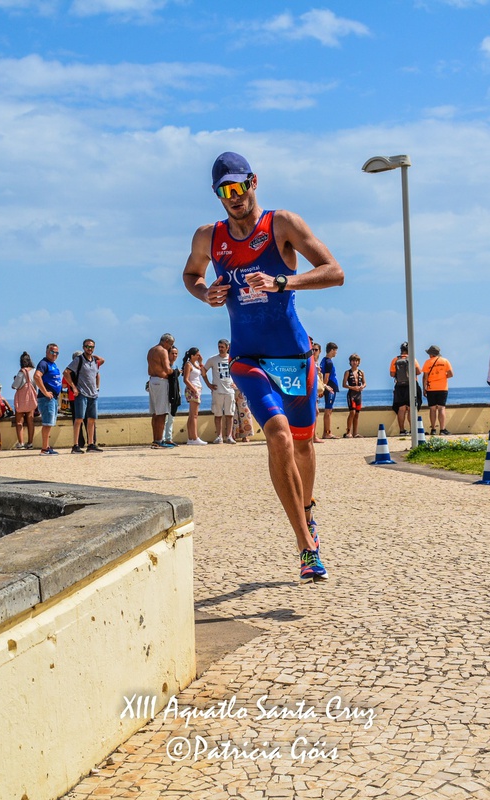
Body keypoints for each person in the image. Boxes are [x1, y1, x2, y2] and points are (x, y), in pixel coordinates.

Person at [182, 150, 344, 583]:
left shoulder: (282, 224)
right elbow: (191, 275)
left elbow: (334, 271)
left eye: (240, 186)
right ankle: (307, 547)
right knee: (277, 435)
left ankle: (307, 514)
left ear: (254, 182)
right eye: (225, 191)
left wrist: (282, 281)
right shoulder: (208, 236)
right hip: (247, 357)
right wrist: (206, 294)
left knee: (304, 445)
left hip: (293, 356)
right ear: (218, 195)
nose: (235, 197)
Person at [64, 339, 104, 453]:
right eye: (87, 347)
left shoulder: (95, 362)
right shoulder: (79, 360)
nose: (89, 349)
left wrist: (97, 388)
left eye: (91, 347)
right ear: (83, 347)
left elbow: (101, 364)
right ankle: (75, 445)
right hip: (82, 394)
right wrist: (74, 387)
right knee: (79, 419)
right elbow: (66, 372)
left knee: (92, 419)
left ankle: (91, 444)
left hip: (93, 395)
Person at [203, 339, 237, 444]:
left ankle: (229, 436)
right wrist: (208, 385)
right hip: (217, 391)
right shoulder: (212, 359)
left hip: (229, 391)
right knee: (218, 414)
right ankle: (219, 436)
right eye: (219, 347)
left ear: (227, 347)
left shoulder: (232, 359)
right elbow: (203, 371)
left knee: (229, 414)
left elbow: (238, 371)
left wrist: (236, 384)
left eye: (222, 347)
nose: (220, 349)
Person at [148, 333, 177, 449]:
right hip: (161, 381)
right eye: (171, 344)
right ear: (166, 341)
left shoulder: (151, 350)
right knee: (162, 413)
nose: (170, 347)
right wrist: (175, 372)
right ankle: (159, 440)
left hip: (152, 381)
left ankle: (155, 439)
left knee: (155, 413)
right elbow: (167, 369)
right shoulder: (163, 351)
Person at [34, 344, 63, 455]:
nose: (54, 354)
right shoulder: (43, 363)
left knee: (50, 423)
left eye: (56, 353)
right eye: (52, 352)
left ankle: (47, 446)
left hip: (54, 398)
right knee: (47, 423)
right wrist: (45, 392)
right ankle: (44, 448)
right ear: (47, 352)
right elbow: (37, 376)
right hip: (47, 399)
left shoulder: (53, 364)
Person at [389, 343, 421, 435]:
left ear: (401, 350)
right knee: (411, 408)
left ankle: (402, 430)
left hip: (399, 386)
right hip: (411, 385)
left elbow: (391, 374)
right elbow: (418, 372)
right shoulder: (412, 359)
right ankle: (412, 430)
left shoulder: (395, 359)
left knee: (401, 408)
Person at [422, 345, 453, 436]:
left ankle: (433, 429)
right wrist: (443, 377)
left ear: (431, 354)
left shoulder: (427, 362)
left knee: (432, 409)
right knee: (441, 408)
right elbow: (451, 374)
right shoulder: (445, 361)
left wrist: (424, 388)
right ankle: (442, 429)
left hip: (431, 388)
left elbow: (425, 377)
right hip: (442, 387)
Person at [11, 352, 37, 450]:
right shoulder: (34, 371)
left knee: (19, 422)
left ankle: (21, 443)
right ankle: (30, 442)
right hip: (31, 398)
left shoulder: (21, 372)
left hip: (21, 399)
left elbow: (15, 385)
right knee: (31, 421)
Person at [182, 346, 206, 446]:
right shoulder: (188, 364)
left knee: (192, 414)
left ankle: (191, 438)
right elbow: (186, 379)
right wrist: (194, 389)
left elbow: (203, 373)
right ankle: (195, 437)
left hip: (197, 389)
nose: (199, 356)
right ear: (192, 356)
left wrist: (200, 362)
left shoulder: (196, 364)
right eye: (197, 355)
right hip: (193, 390)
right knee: (194, 415)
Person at [342, 353, 366, 438]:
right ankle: (348, 432)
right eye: (353, 361)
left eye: (356, 361)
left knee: (357, 414)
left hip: (359, 395)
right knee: (352, 412)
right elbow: (344, 384)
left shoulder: (361, 372)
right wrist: (352, 387)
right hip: (351, 394)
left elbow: (364, 383)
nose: (354, 362)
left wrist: (362, 386)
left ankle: (355, 433)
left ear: (358, 362)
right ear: (350, 362)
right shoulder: (347, 372)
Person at [319, 342, 339, 439]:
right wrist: (323, 388)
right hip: (330, 387)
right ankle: (328, 433)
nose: (336, 353)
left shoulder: (323, 360)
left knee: (328, 410)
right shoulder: (328, 362)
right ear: (331, 350)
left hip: (328, 387)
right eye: (335, 351)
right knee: (328, 410)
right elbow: (326, 377)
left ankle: (325, 432)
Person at [165, 345, 183, 445]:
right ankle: (164, 438)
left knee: (171, 417)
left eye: (176, 353)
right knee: (166, 418)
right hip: (167, 394)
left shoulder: (175, 367)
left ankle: (169, 438)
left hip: (175, 394)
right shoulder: (166, 366)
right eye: (172, 353)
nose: (174, 355)